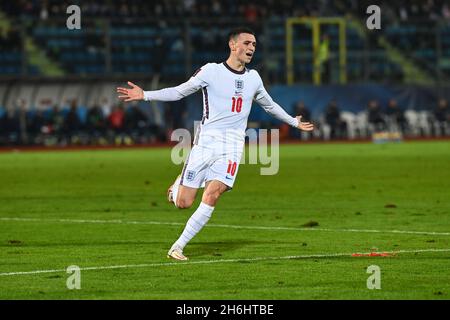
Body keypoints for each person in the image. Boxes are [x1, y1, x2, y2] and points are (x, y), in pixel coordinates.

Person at [117, 27, 314, 261]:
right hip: (206, 143)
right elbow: (180, 92)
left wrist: (293, 122)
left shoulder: (254, 78)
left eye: (254, 44)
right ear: (233, 45)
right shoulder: (211, 71)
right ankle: (177, 186)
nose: (252, 47)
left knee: (213, 194)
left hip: (232, 147)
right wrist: (146, 95)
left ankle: (178, 247)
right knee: (183, 203)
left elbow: (269, 105)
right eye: (247, 43)